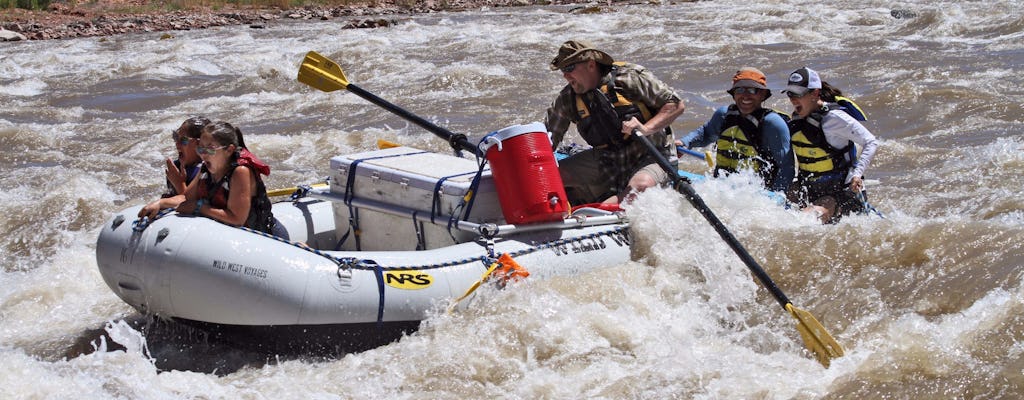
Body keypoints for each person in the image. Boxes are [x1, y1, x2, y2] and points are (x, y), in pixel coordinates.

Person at [545, 40, 685, 204]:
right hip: (608, 161)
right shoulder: (566, 99)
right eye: (563, 70)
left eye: (569, 68)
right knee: (548, 178)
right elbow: (547, 141)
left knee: (639, 187)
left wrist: (646, 128)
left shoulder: (629, 78)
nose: (565, 75)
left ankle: (603, 210)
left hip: (652, 155)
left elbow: (676, 104)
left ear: (591, 65)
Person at [782, 67, 880, 224]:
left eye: (799, 94)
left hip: (841, 193)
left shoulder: (834, 118)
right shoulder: (798, 119)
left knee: (804, 220)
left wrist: (857, 174)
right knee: (771, 201)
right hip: (810, 188)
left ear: (815, 93)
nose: (793, 99)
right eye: (790, 94)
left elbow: (870, 141)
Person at [676, 67, 794, 192]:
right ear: (734, 94)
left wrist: (776, 198)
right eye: (740, 90)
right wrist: (685, 142)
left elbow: (787, 167)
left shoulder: (772, 124)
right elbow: (705, 134)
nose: (745, 96)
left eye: (752, 90)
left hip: (756, 193)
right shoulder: (724, 115)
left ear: (763, 95)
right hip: (721, 186)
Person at [175, 121, 276, 233]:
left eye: (210, 149)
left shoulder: (240, 171)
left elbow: (237, 219)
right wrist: (161, 203)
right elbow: (187, 199)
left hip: (260, 235)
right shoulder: (206, 167)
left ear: (229, 150)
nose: (203, 154)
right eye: (200, 149)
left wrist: (201, 208)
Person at [138, 116, 211, 219]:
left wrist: (179, 184)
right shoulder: (176, 168)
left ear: (199, 144)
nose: (177, 144)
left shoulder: (207, 170)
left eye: (183, 141)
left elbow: (191, 203)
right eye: (176, 138)